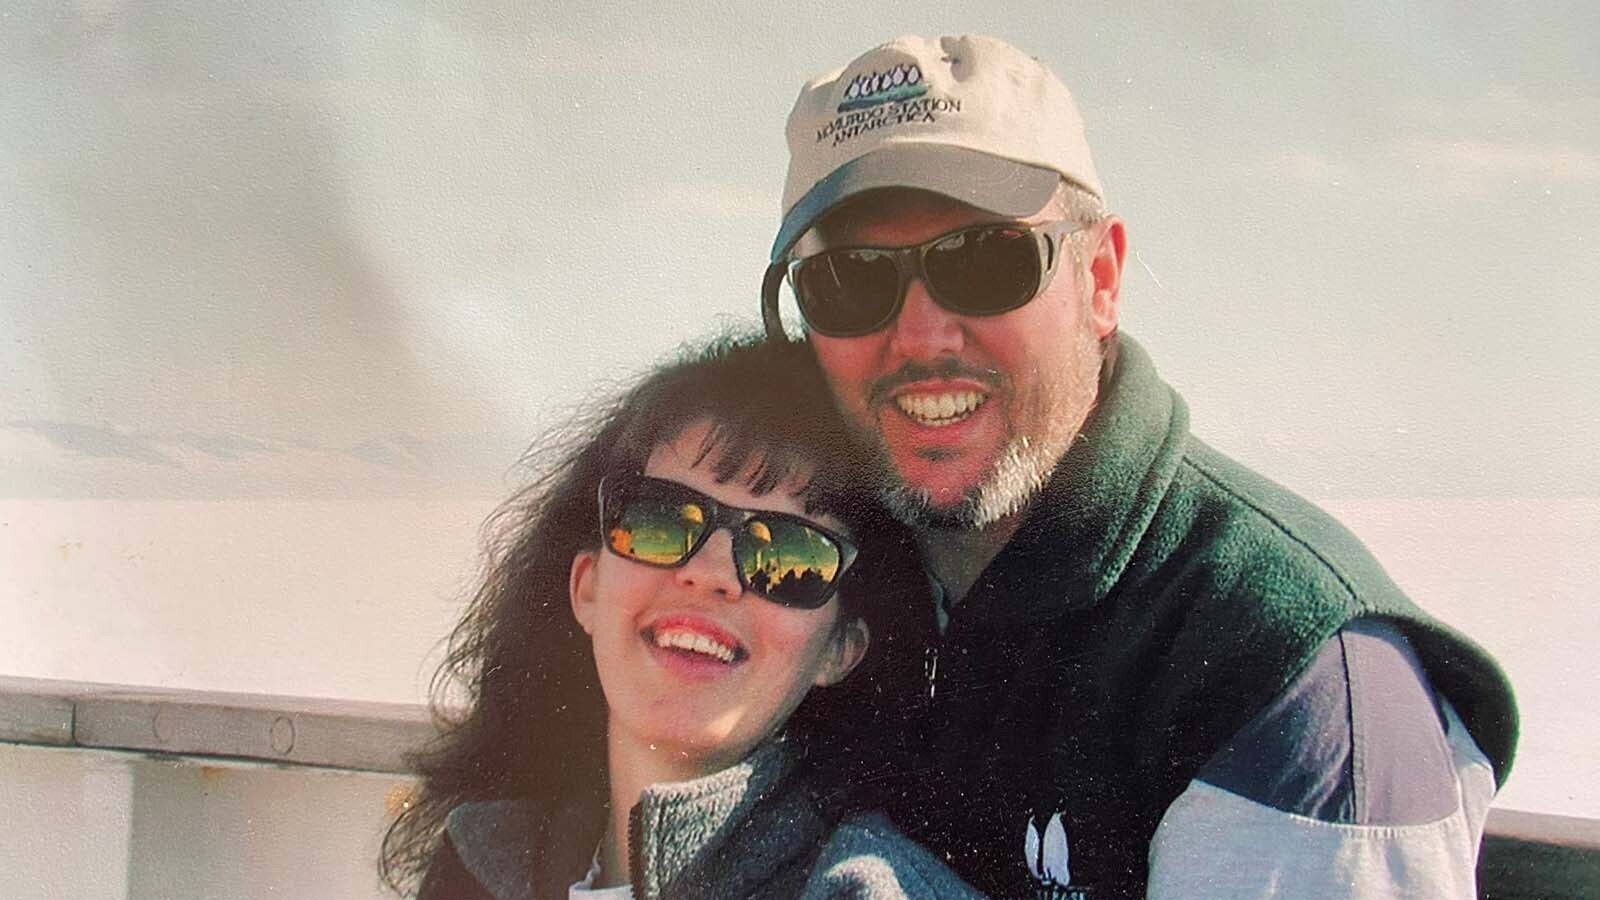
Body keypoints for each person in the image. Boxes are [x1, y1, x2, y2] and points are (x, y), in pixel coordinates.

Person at [761, 34, 1519, 899]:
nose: (922, 336)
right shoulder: (809, 575)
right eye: (850, 280)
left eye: (986, 261)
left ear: (1101, 278)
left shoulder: (1282, 675)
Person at [380, 334, 985, 899]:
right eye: (662, 520)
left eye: (789, 554)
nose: (711, 573)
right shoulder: (479, 860)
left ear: (839, 650)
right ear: (586, 587)